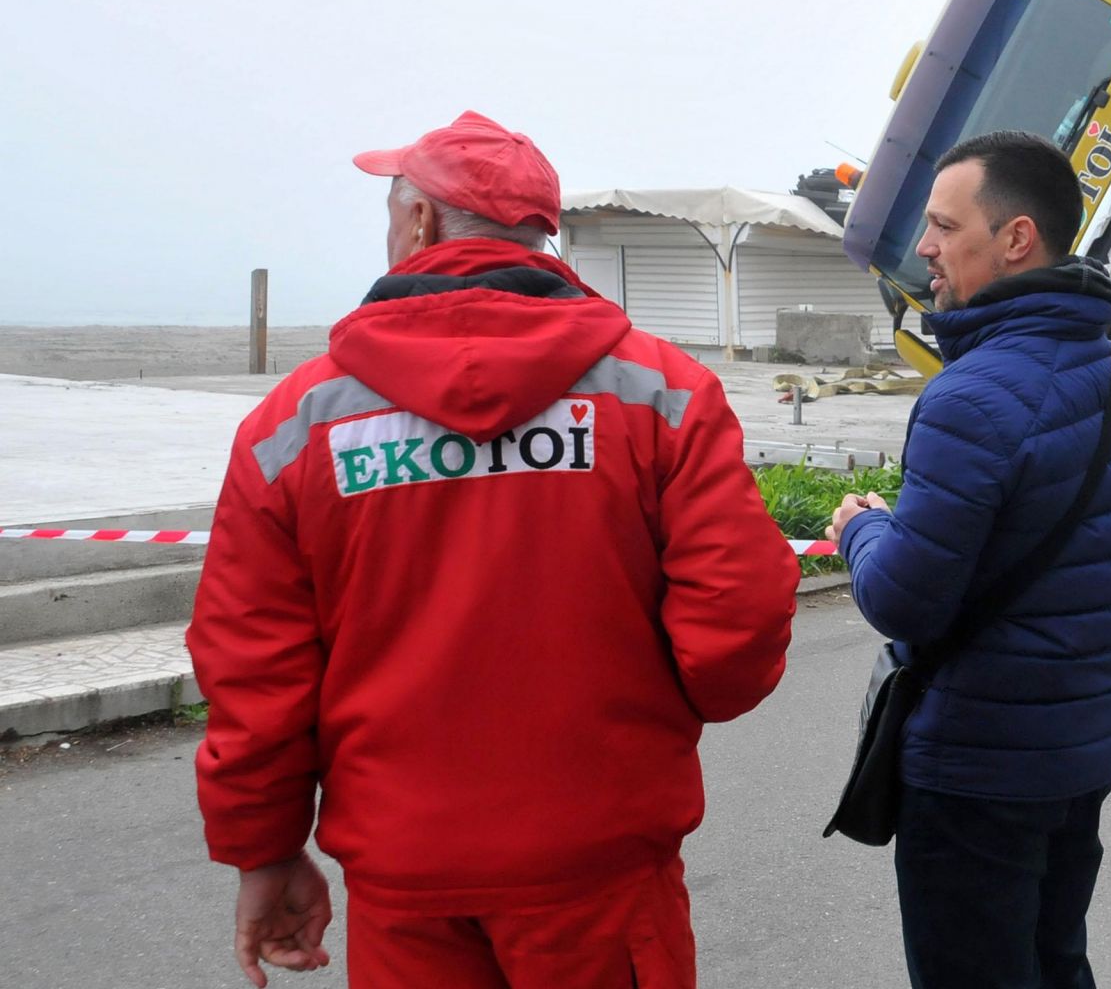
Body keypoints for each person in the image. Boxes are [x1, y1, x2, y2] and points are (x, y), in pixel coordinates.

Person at [187, 110, 797, 988]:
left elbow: (253, 668)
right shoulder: (662, 393)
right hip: (603, 869)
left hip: (406, 882)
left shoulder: (294, 425)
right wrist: (640, 720)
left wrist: (264, 848)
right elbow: (738, 618)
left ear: (422, 222)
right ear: (539, 234)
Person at [824, 130, 1111, 988]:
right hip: (1079, 750)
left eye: (944, 226)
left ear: (1016, 239)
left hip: (979, 767)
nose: (925, 249)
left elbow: (905, 602)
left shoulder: (970, 398)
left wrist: (859, 530)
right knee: (1056, 961)